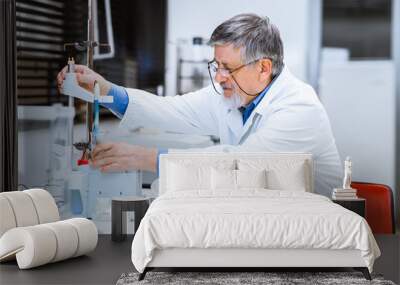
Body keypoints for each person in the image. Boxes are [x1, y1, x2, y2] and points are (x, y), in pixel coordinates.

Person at [57, 13, 342, 197]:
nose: (218, 77)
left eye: (227, 67)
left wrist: (146, 158)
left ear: (264, 68)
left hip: (314, 226)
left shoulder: (298, 108)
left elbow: (241, 164)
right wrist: (104, 90)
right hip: (266, 215)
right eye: (216, 65)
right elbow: (171, 110)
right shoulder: (232, 95)